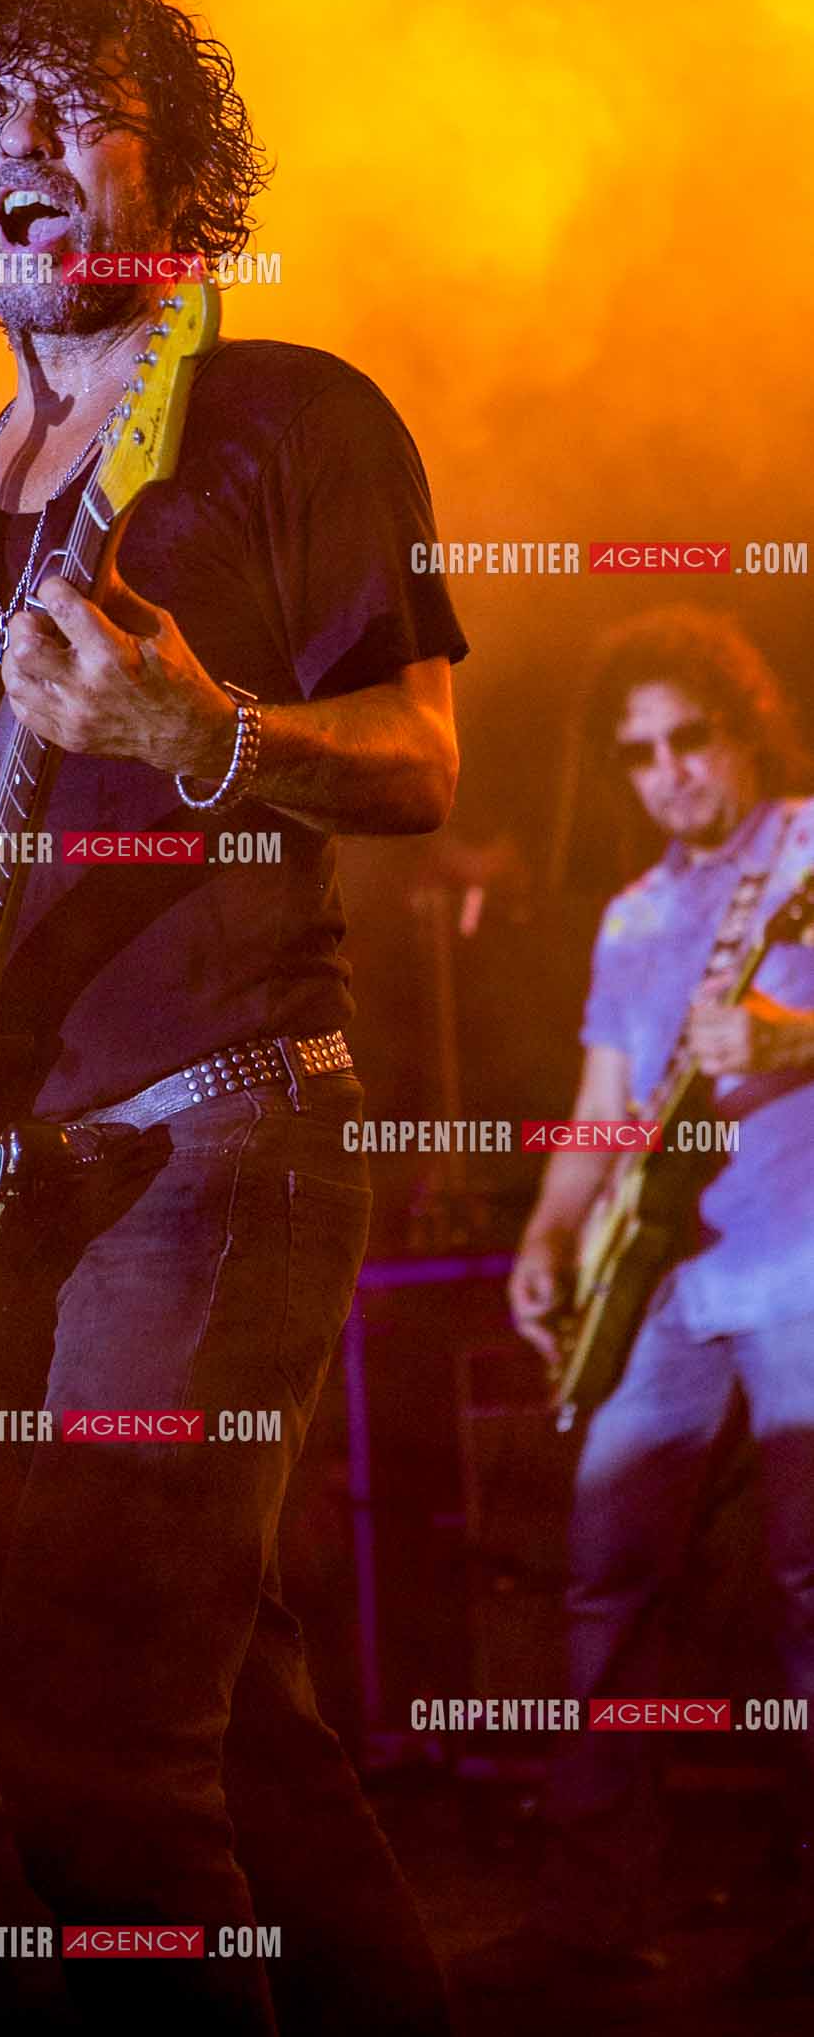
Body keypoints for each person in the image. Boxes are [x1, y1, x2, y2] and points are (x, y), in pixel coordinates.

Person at [0, 0, 467, 2033]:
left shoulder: (277, 415)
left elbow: (424, 760)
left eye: (84, 104)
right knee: (223, 1727)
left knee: (85, 1724)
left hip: (220, 1135)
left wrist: (200, 733)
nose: (32, 142)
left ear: (180, 175)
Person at [472, 607, 814, 2003]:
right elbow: (602, 1114)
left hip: (800, 1261)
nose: (669, 770)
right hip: (658, 1284)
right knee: (607, 1581)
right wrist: (550, 1236)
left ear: (745, 728)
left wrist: (803, 1040)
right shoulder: (633, 913)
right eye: (641, 753)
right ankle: (596, 1906)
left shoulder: (804, 849)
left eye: (692, 739)